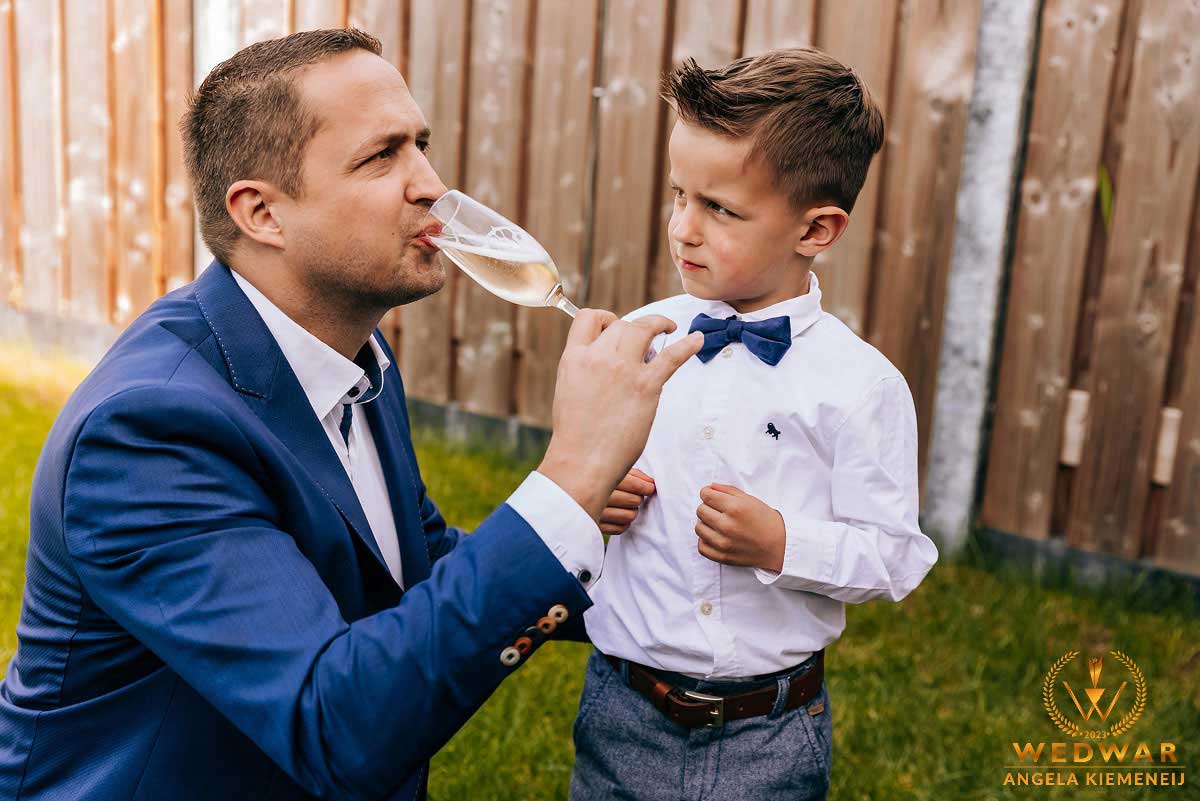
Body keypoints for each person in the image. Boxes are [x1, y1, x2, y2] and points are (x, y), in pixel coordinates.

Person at [0, 29, 702, 801]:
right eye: (382, 156)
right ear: (262, 211)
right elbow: (334, 725)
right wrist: (567, 478)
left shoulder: (350, 350)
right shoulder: (146, 433)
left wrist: (670, 584)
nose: (431, 183)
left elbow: (408, 560)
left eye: (422, 144)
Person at [569, 49, 939, 800]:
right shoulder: (641, 340)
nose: (683, 228)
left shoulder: (859, 387)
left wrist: (782, 542)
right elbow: (579, 470)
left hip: (768, 729)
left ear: (817, 229)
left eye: (720, 209)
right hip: (622, 707)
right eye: (679, 194)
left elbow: (894, 555)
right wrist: (595, 502)